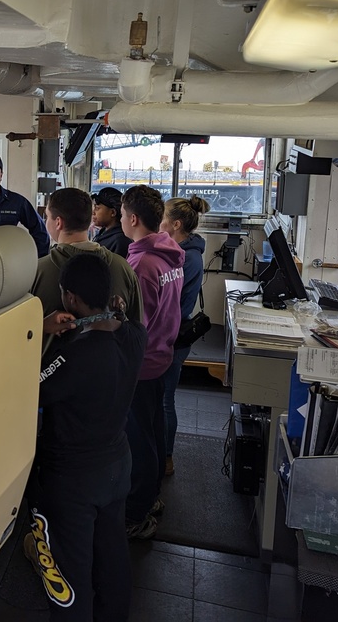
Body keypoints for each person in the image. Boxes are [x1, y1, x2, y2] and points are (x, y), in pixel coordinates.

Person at [26, 253, 147, 621]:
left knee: (67, 572)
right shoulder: (134, 336)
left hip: (72, 479)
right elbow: (116, 326)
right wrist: (96, 318)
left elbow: (28, 388)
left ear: (70, 298)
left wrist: (36, 330)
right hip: (116, 465)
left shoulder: (74, 358)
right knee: (112, 558)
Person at [119, 185, 185, 539]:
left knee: (138, 438)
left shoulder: (141, 264)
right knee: (154, 431)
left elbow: (135, 324)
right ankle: (152, 496)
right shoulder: (170, 252)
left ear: (132, 218)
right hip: (162, 355)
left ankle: (137, 511)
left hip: (142, 364)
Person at [32, 187, 143, 327]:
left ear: (58, 222)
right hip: (113, 349)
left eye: (47, 216)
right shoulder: (123, 267)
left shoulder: (37, 271)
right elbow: (137, 328)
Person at [159, 195, 211, 477]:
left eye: (163, 218)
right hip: (170, 333)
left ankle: (166, 457)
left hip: (174, 337)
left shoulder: (188, 258)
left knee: (166, 399)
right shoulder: (180, 251)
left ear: (176, 224)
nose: (159, 223)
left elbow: (171, 299)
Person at [91, 187, 132, 258]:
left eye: (97, 208)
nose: (93, 212)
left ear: (113, 212)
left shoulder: (120, 241)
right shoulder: (104, 233)